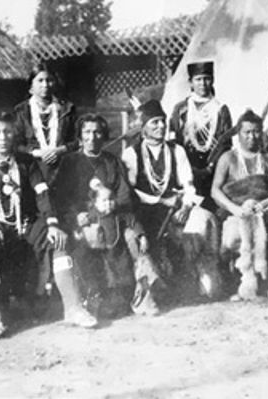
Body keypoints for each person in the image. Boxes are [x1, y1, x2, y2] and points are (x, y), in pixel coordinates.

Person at [0, 111, 94, 338]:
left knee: (58, 239)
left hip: (25, 224)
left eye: (7, 132)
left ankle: (73, 307)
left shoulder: (27, 162)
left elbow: (42, 194)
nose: (3, 137)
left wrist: (51, 223)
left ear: (14, 135)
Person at [53, 114, 158, 320]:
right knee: (86, 250)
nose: (92, 137)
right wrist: (77, 217)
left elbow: (125, 195)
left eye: (97, 132)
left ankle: (138, 295)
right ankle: (91, 296)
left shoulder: (112, 161)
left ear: (104, 135)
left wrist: (110, 207)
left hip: (114, 219)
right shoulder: (69, 162)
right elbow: (61, 198)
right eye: (87, 132)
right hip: (81, 223)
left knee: (128, 244)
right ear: (80, 136)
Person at [121, 99, 221, 302]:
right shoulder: (131, 153)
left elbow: (189, 185)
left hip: (178, 206)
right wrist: (161, 200)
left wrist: (185, 205)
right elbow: (130, 191)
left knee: (204, 218)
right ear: (143, 127)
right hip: (146, 210)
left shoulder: (177, 150)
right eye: (154, 123)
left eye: (162, 121)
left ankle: (202, 276)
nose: (160, 126)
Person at [211, 110, 268, 301]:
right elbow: (215, 191)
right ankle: (244, 280)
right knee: (234, 233)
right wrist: (236, 209)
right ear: (239, 134)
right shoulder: (228, 158)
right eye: (247, 132)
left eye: (256, 132)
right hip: (239, 211)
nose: (252, 136)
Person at [169, 61, 233, 205]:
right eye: (198, 79)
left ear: (212, 80)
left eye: (207, 78)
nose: (202, 83)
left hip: (214, 168)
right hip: (186, 166)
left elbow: (226, 144)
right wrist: (185, 166)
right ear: (190, 82)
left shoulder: (221, 110)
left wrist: (210, 168)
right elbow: (173, 140)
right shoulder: (180, 109)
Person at [13, 63, 77, 179]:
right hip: (32, 168)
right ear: (31, 86)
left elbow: (77, 140)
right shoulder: (21, 111)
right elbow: (16, 143)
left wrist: (60, 150)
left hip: (63, 167)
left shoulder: (67, 109)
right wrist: (37, 153)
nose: (45, 85)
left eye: (49, 80)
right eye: (40, 80)